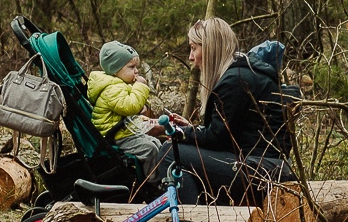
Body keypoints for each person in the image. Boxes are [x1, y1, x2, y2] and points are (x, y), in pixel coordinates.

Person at [159, 18, 293, 205]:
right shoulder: (240, 73)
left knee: (170, 153)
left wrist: (182, 134)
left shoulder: (235, 80)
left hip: (261, 170)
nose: (191, 57)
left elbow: (218, 139)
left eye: (193, 48)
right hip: (265, 165)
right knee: (180, 154)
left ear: (210, 48)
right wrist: (192, 130)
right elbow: (227, 133)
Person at [87, 41, 162, 182]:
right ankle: (154, 183)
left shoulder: (118, 84)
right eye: (131, 67)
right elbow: (129, 106)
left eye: (136, 67)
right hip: (116, 136)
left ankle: (153, 176)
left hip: (125, 131)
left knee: (156, 143)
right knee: (150, 149)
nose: (136, 71)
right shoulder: (111, 89)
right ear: (116, 70)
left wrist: (140, 106)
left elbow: (129, 104)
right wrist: (140, 86)